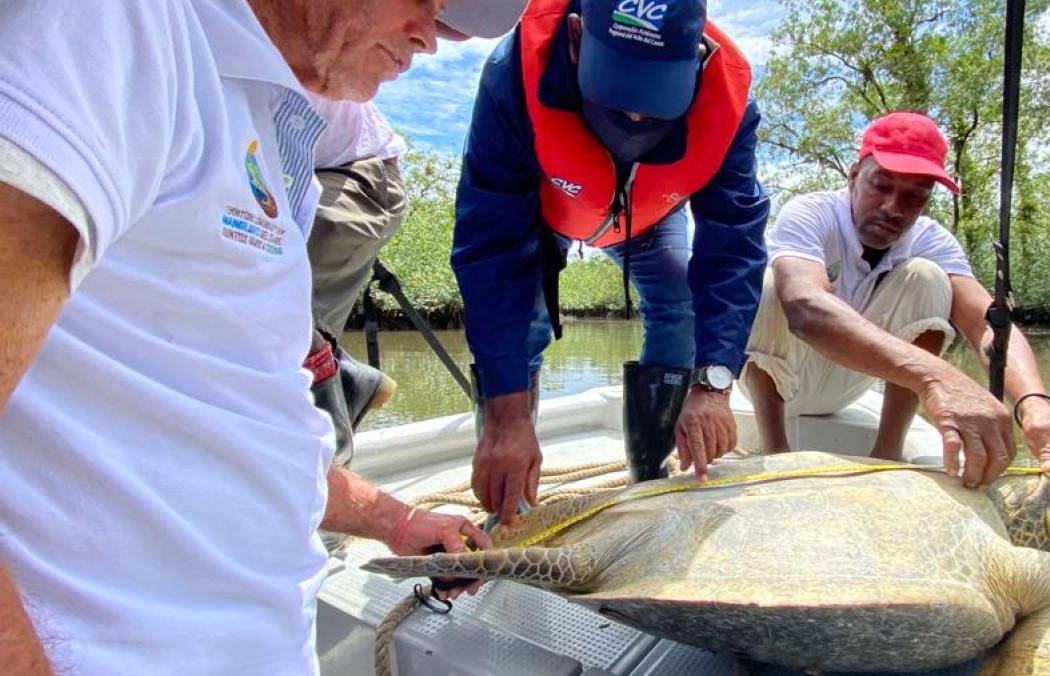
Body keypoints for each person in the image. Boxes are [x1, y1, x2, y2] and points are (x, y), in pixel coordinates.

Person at [0, 1, 526, 674]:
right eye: (424, 1)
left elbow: (233, 416)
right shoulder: (116, 27)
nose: (429, 38)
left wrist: (392, 519)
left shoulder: (269, 118)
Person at [451, 0, 769, 524]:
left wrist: (713, 384)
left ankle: (650, 474)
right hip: (546, 208)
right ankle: (513, 501)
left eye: (658, 98)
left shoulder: (730, 102)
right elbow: (491, 249)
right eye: (620, 97)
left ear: (698, 54)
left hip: (648, 218)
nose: (639, 117)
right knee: (521, 324)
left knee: (678, 296)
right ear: (576, 38)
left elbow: (733, 247)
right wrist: (505, 417)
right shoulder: (514, 74)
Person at [740, 112, 1050, 509]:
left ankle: (887, 455)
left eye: (915, 195)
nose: (894, 208)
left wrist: (1036, 405)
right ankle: (774, 452)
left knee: (929, 277)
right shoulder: (812, 212)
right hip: (774, 375)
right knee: (773, 283)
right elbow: (804, 309)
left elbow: (988, 324)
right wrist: (938, 379)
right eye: (881, 185)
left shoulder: (931, 239)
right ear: (854, 175)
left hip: (851, 382)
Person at [304, 96, 408, 469]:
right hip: (286, 173)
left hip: (354, 170)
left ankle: (326, 477)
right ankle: (343, 377)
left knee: (269, 297)